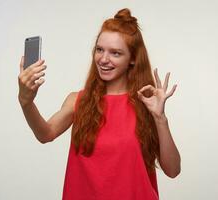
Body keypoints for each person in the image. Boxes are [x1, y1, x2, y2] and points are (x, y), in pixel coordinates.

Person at [18, 8, 180, 200]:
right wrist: (26, 102)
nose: (103, 59)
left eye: (116, 53)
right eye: (100, 49)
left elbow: (173, 170)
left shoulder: (146, 102)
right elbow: (45, 134)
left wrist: (160, 118)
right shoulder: (78, 100)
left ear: (133, 59)